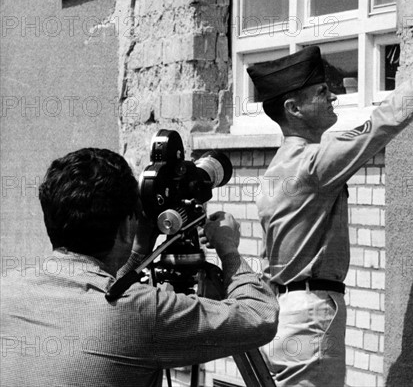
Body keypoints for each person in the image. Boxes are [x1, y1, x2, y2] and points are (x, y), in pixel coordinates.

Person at [247, 21, 413, 386]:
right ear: (294, 108)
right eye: (322, 91)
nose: (333, 96)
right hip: (310, 317)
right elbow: (385, 121)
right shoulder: (313, 163)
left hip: (281, 315)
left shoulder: (274, 172)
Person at [0, 148, 279, 387]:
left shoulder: (8, 289)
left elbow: (99, 292)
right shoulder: (140, 312)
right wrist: (228, 248)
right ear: (124, 227)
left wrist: (138, 248)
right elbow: (259, 317)